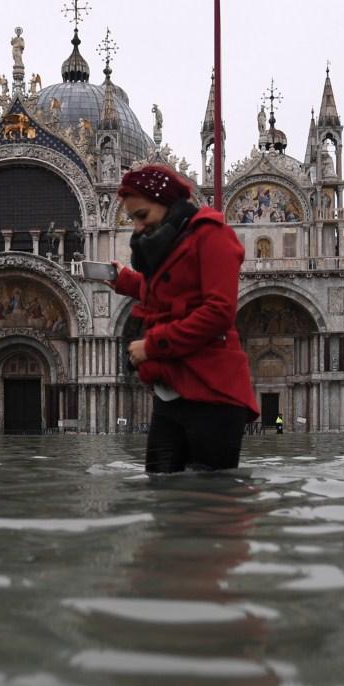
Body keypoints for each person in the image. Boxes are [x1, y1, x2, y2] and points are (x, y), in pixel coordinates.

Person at [110, 164, 258, 473]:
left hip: (212, 391)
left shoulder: (212, 236)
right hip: (172, 388)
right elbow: (173, 292)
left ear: (166, 204)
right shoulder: (170, 242)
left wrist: (151, 347)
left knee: (210, 499)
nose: (137, 228)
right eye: (132, 219)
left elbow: (218, 312)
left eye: (142, 216)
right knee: (161, 490)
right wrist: (125, 281)